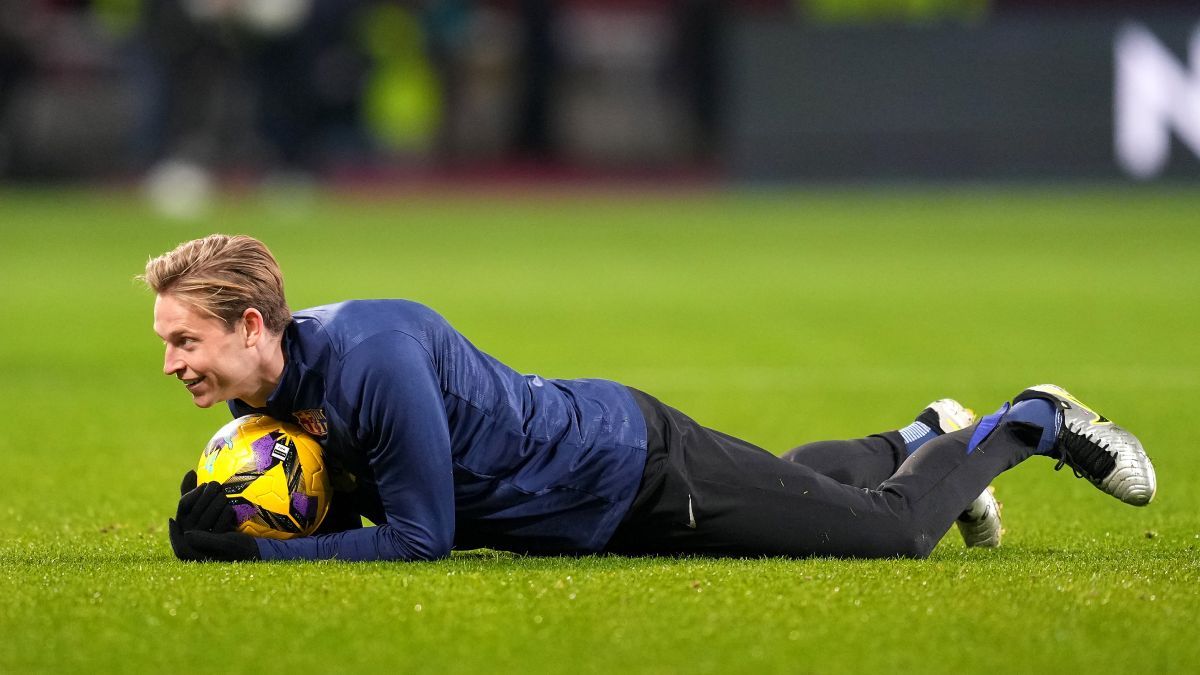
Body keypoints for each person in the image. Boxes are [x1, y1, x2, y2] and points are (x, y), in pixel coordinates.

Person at [144, 234, 1156, 562]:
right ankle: (923, 433)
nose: (171, 362)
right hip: (600, 498)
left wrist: (255, 556)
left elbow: (420, 537)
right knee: (795, 495)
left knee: (889, 534)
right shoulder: (270, 401)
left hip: (632, 469)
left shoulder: (372, 355)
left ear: (251, 325)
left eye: (184, 340)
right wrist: (243, 515)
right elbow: (357, 494)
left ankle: (1028, 420)